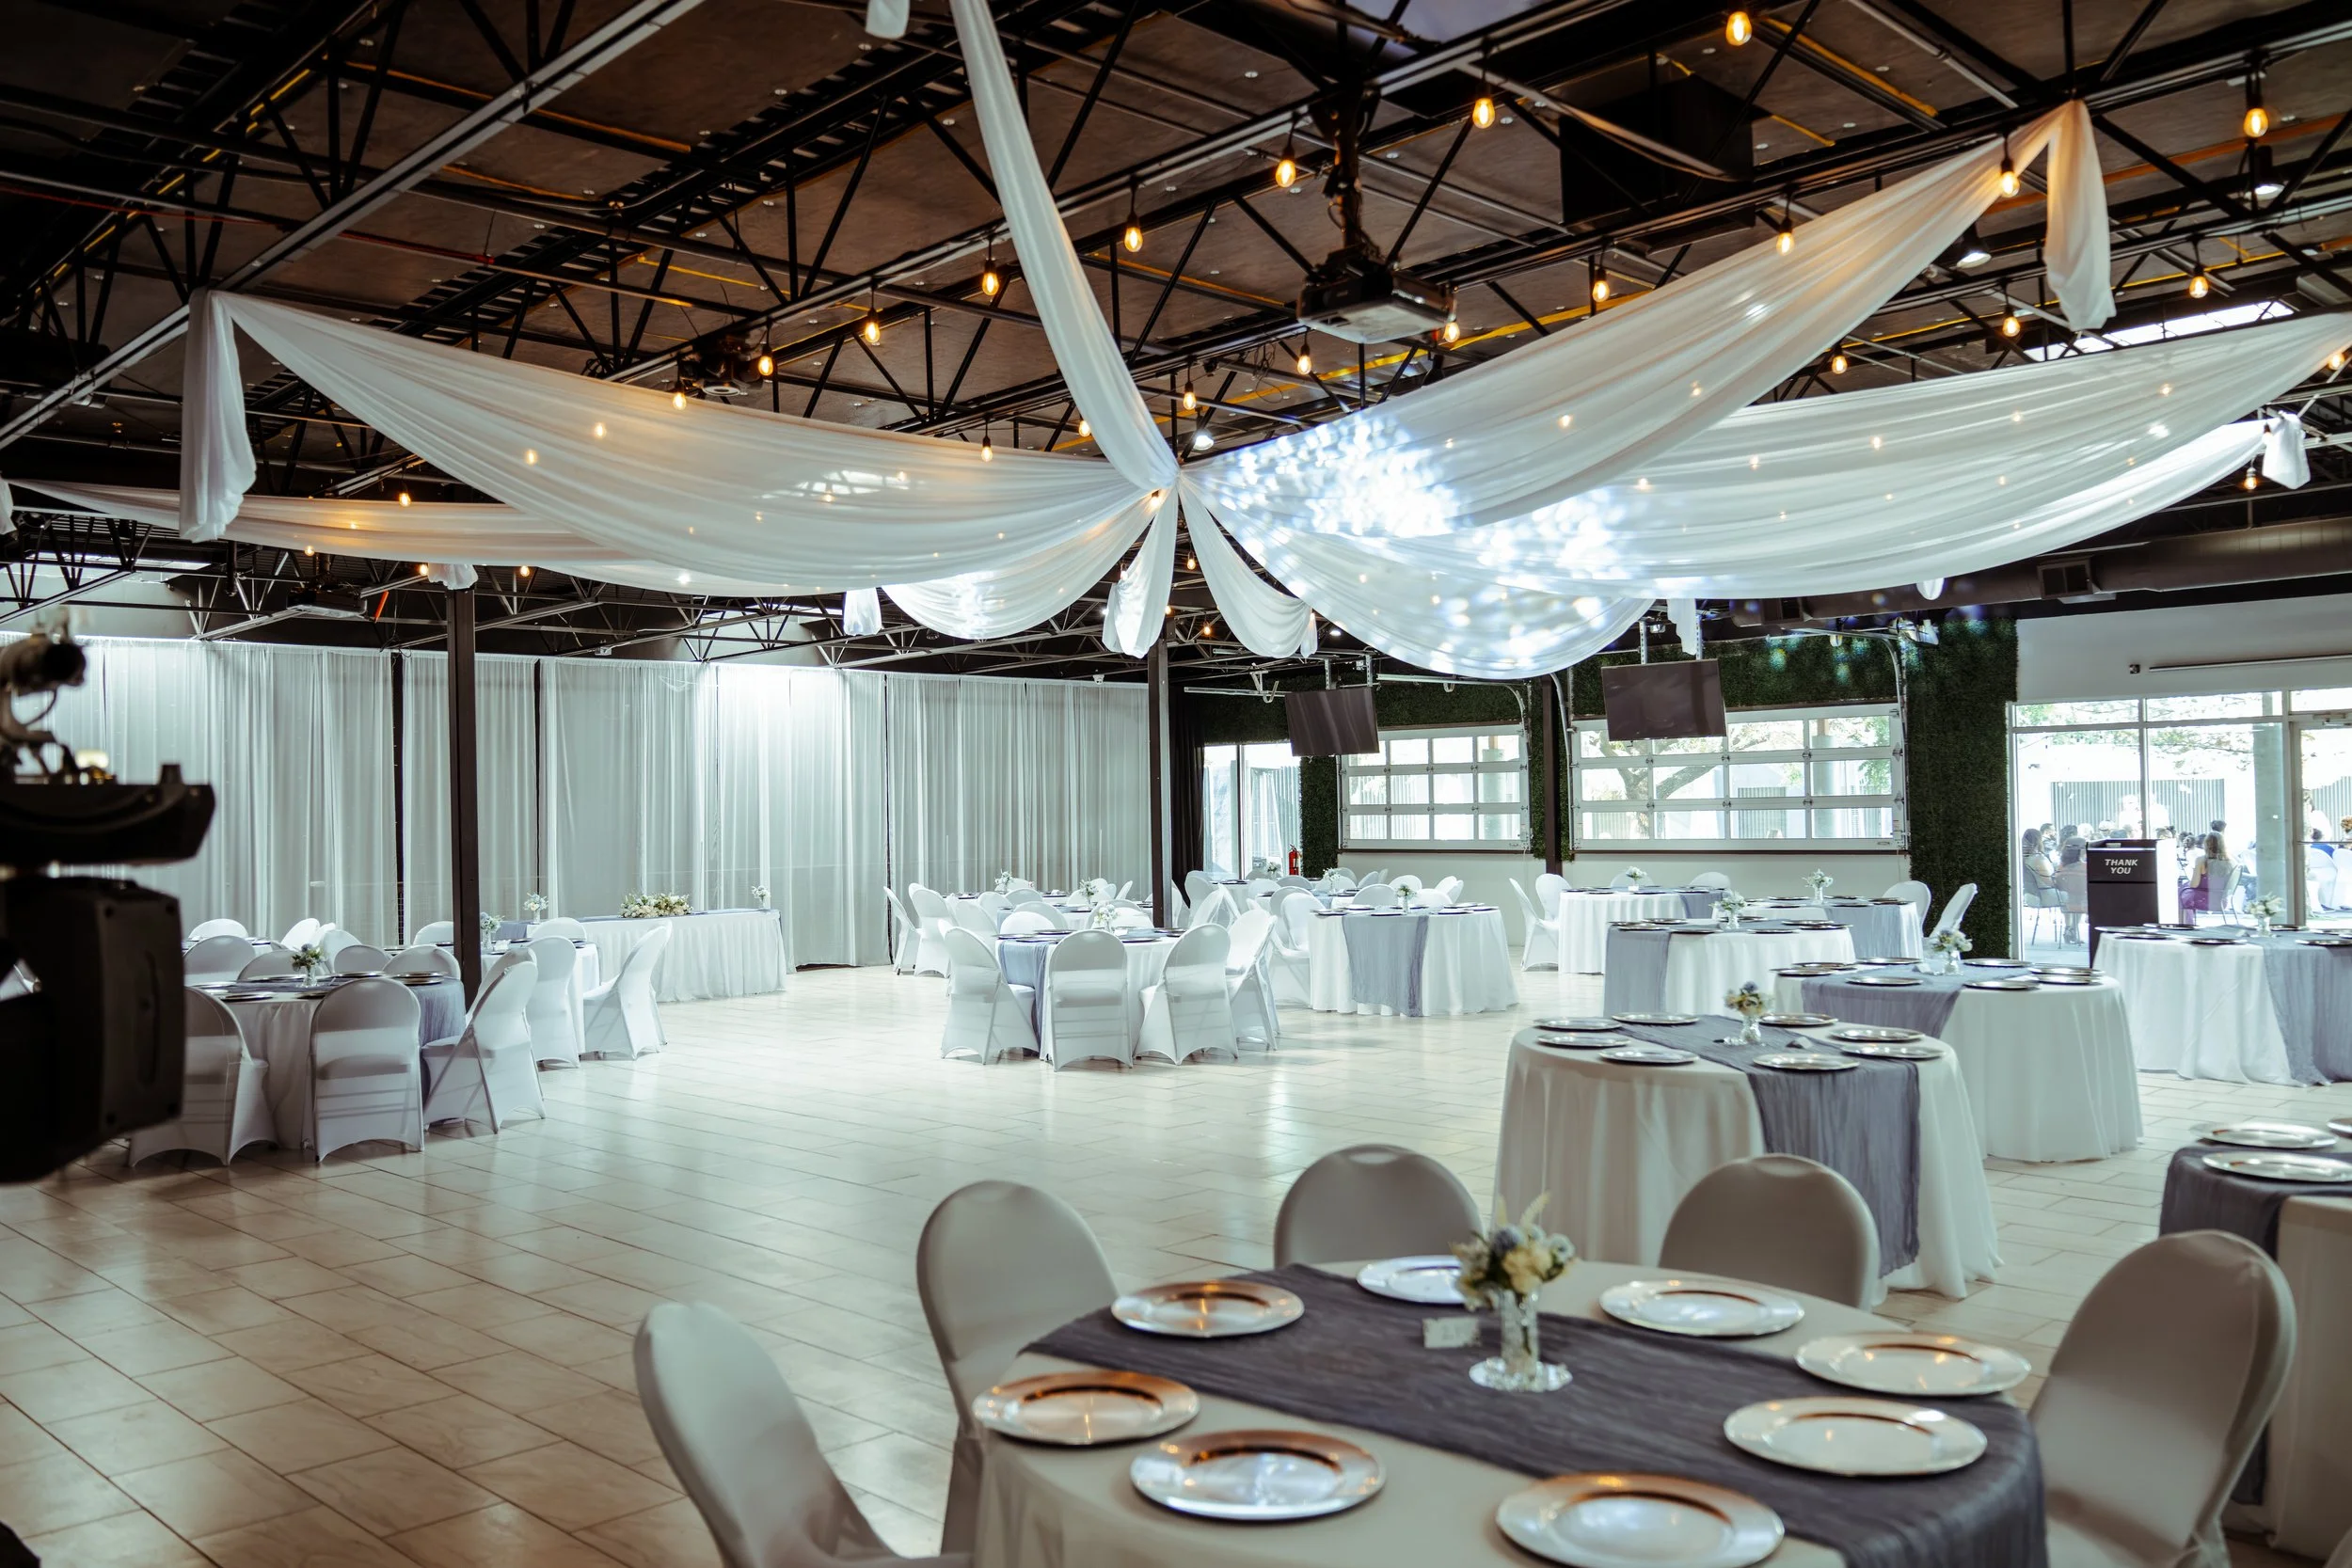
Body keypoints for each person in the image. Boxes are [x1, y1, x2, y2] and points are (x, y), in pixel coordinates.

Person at [2181, 833, 2233, 916]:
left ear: (2206, 845)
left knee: (2182, 892)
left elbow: (2194, 885)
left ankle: (2186, 922)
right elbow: (2230, 887)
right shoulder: (2229, 862)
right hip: (2222, 902)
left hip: (2204, 900)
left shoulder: (2201, 861)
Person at [2057, 837, 2088, 943]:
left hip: (2064, 903)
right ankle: (2073, 929)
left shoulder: (2060, 867)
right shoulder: (2085, 867)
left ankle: (2068, 927)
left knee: (2070, 897)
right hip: (2082, 903)